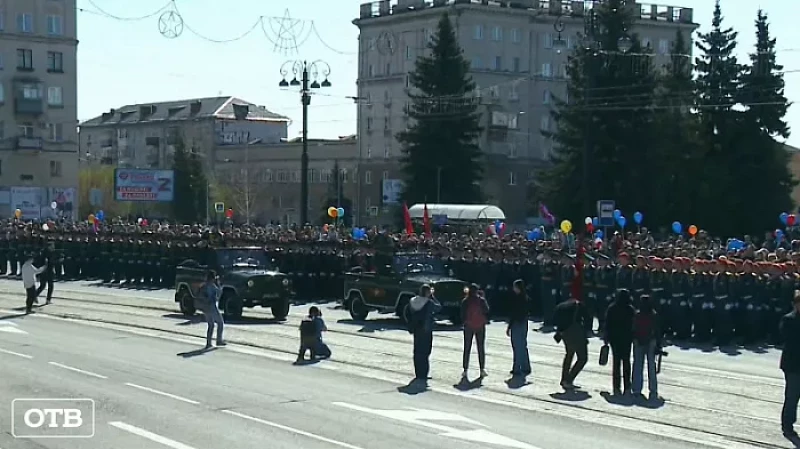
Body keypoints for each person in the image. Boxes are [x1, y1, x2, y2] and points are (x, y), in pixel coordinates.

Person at [406, 284, 441, 383]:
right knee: (425, 352)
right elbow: (439, 307)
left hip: (416, 329)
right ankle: (423, 374)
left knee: (417, 351)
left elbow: (407, 313)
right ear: (427, 292)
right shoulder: (429, 302)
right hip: (426, 329)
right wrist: (433, 297)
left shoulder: (412, 301)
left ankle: (418, 373)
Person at [604, 288, 636, 395]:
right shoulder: (630, 309)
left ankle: (616, 387)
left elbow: (607, 324)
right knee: (626, 362)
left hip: (615, 339)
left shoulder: (612, 308)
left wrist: (606, 338)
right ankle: (627, 386)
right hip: (626, 339)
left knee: (616, 363)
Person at [554, 296, 589, 389]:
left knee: (569, 355)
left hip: (565, 334)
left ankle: (564, 379)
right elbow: (587, 321)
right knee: (583, 358)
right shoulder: (580, 306)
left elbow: (554, 320)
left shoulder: (560, 306)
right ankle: (569, 379)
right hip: (577, 333)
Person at [632, 294, 661, 401]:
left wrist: (635, 338)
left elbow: (633, 328)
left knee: (637, 365)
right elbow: (658, 330)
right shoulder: (654, 314)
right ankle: (653, 389)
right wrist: (658, 344)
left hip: (638, 341)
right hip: (651, 341)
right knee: (651, 367)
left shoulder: (637, 314)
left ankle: (636, 389)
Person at [780, 291, 800, 439]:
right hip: (793, 364)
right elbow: (787, 339)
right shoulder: (788, 319)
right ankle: (787, 424)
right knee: (792, 396)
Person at [461, 283, 490, 379]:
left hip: (468, 326)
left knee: (467, 348)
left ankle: (465, 370)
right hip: (480, 326)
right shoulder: (481, 300)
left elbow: (462, 314)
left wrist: (465, 321)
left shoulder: (465, 300)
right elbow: (487, 310)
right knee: (481, 347)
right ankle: (482, 370)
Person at [507, 279, 531, 377]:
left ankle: (516, 368)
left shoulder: (516, 299)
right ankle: (526, 367)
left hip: (517, 323)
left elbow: (514, 314)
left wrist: (509, 326)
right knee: (523, 345)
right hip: (524, 322)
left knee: (517, 346)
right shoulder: (526, 297)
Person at [201, 270, 225, 349]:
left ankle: (208, 343)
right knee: (220, 323)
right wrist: (219, 285)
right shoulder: (212, 286)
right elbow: (218, 294)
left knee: (210, 325)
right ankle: (219, 340)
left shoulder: (204, 285)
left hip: (205, 308)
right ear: (213, 278)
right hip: (212, 306)